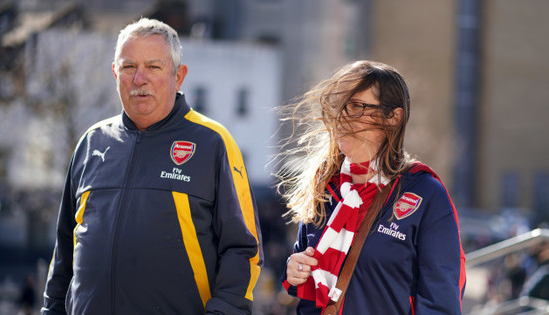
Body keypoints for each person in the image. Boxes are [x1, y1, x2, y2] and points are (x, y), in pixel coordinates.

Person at [41, 18, 263, 315]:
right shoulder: (90, 143)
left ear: (179, 76)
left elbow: (243, 249)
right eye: (129, 67)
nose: (139, 79)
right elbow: (65, 251)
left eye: (153, 67)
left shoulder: (213, 143)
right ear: (115, 73)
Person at [276, 60, 466, 314]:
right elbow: (308, 286)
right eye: (340, 106)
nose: (342, 117)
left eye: (355, 106)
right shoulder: (325, 186)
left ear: (393, 117)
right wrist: (295, 267)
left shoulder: (425, 193)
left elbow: (441, 302)